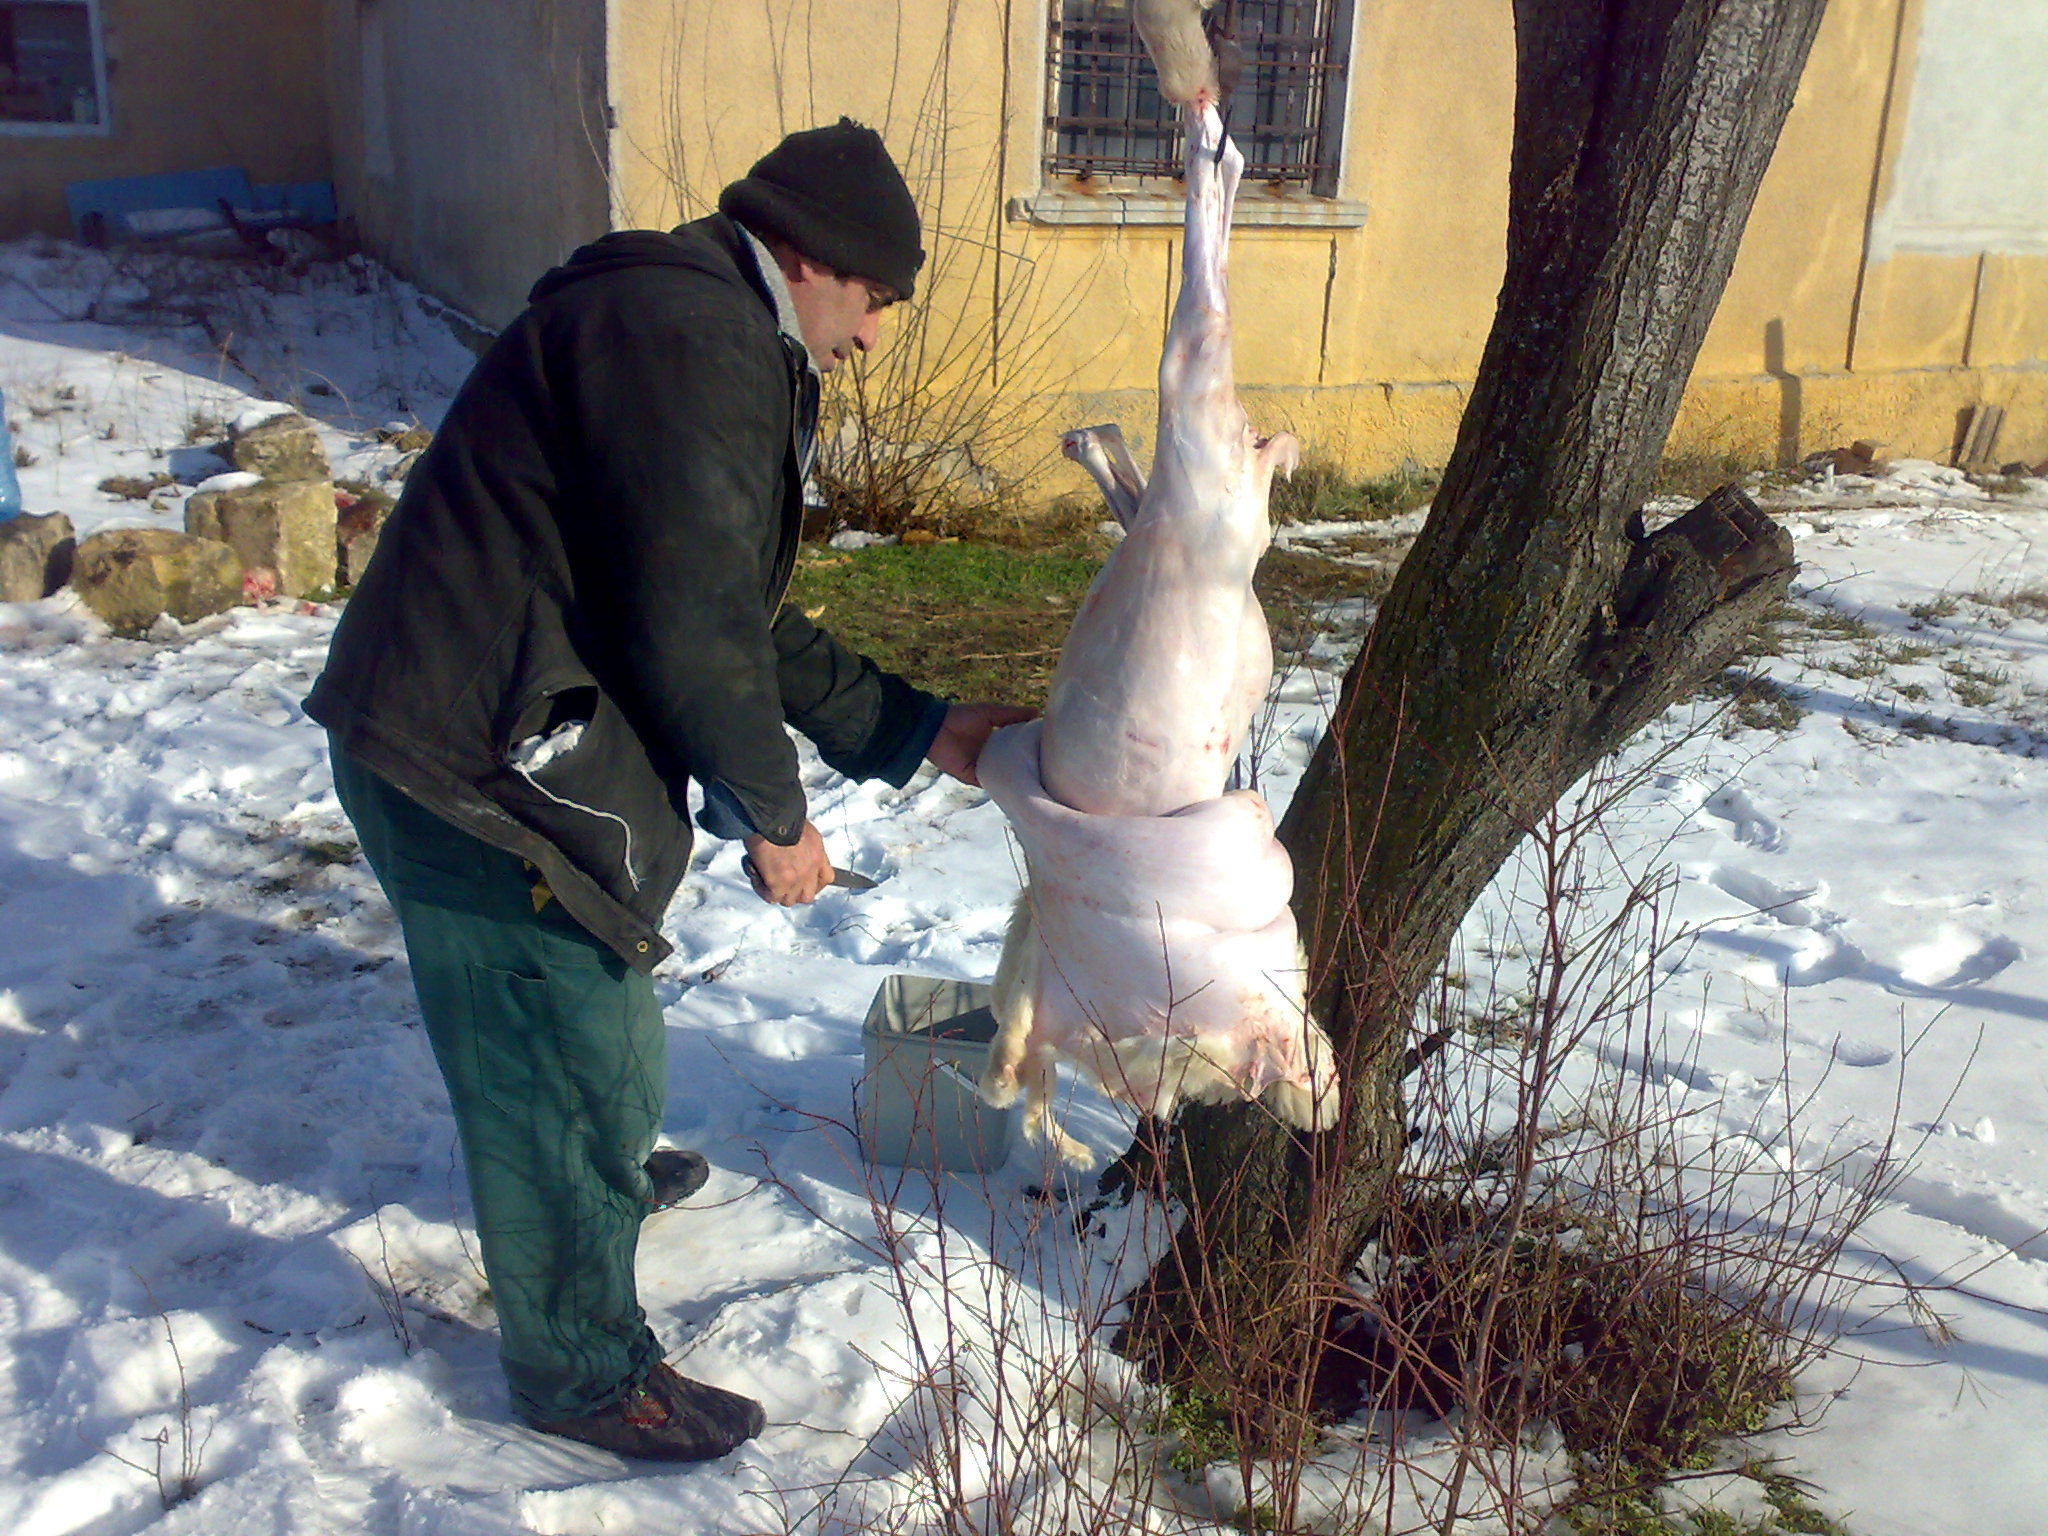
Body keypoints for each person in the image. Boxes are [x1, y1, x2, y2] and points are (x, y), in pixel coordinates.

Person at [305, 119, 1031, 1462]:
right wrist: (778, 816)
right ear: (809, 258)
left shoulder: (693, 323)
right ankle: (582, 1370)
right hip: (472, 766)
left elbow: (727, 604)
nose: (875, 336)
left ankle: (597, 1183)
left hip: (495, 726)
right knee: (556, 1061)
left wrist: (921, 727)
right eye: (875, 298)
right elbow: (696, 633)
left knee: (602, 1030)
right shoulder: (692, 340)